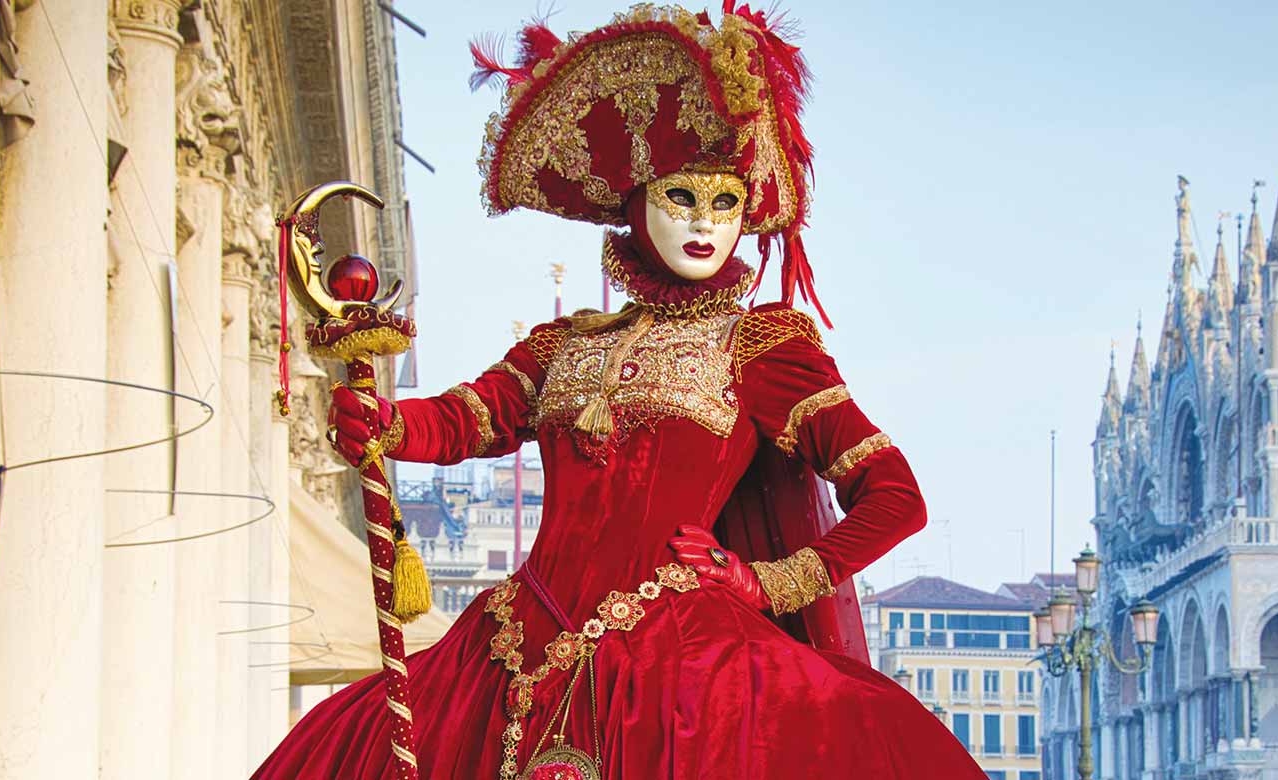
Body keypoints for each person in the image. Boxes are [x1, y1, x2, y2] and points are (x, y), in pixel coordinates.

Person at [255, 4, 987, 777]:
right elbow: (465, 420)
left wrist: (767, 583)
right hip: (513, 643)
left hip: (682, 664)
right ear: (635, 201)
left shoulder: (764, 347)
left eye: (727, 202)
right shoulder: (564, 345)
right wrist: (383, 423)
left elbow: (895, 496)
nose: (707, 223)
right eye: (682, 197)